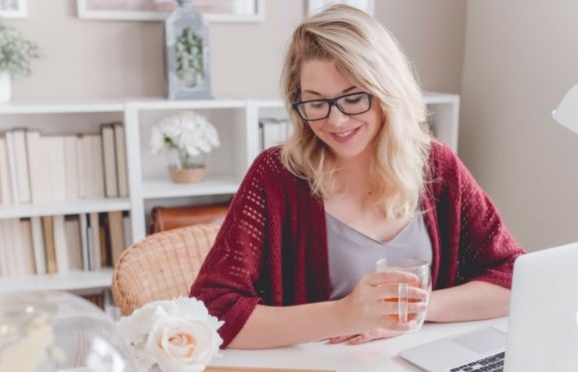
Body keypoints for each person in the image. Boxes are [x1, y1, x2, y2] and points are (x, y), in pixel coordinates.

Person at [190, 5, 524, 349]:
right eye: (316, 102)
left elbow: (515, 278)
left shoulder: (437, 166)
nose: (335, 121)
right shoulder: (276, 176)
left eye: (353, 98)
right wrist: (344, 314)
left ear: (387, 92)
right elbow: (212, 312)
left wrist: (412, 310)